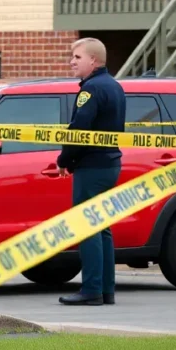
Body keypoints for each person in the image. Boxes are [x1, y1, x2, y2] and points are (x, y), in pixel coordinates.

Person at [55, 38, 126, 306]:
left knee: (87, 226)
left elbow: (79, 130)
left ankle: (91, 289)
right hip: (110, 164)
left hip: (92, 167)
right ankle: (106, 289)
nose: (71, 61)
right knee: (103, 227)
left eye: (77, 57)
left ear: (93, 60)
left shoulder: (91, 90)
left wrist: (64, 159)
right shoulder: (115, 86)